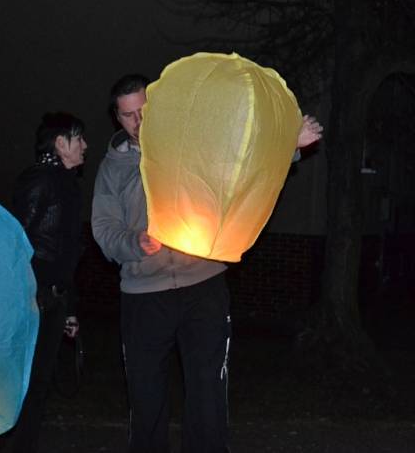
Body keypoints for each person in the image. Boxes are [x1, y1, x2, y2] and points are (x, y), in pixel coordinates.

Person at [91, 74, 322, 452]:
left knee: (207, 393)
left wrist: (290, 145)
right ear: (118, 119)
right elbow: (103, 229)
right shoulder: (111, 169)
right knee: (146, 396)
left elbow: (243, 159)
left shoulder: (192, 143)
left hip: (204, 288)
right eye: (128, 115)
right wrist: (135, 242)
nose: (138, 122)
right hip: (144, 296)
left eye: (143, 111)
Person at [6, 112, 86, 452]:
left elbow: (65, 253)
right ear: (60, 143)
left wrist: (67, 305)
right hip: (32, 301)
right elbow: (18, 242)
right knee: (23, 386)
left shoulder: (66, 184)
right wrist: (30, 296)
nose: (85, 145)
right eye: (78, 138)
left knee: (39, 385)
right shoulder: (39, 181)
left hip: (51, 301)